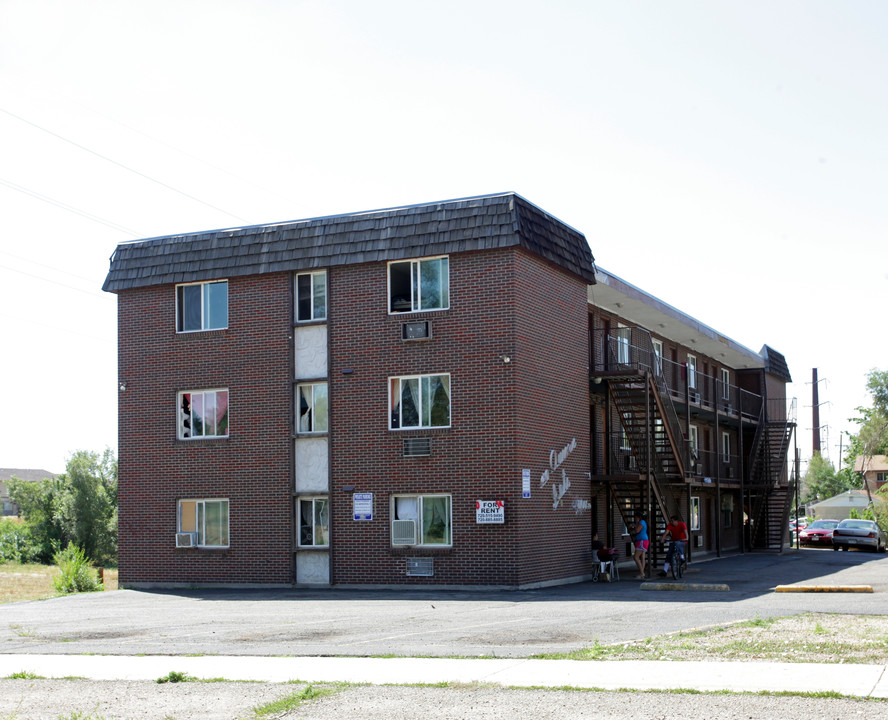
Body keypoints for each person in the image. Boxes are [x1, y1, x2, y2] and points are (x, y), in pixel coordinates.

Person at [633, 513, 649, 579]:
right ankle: (642, 573)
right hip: (644, 540)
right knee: (642, 557)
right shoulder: (643, 522)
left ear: (639, 517)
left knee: (636, 557)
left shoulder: (641, 522)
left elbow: (637, 530)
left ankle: (642, 572)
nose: (635, 519)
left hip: (641, 541)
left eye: (636, 517)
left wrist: (636, 524)